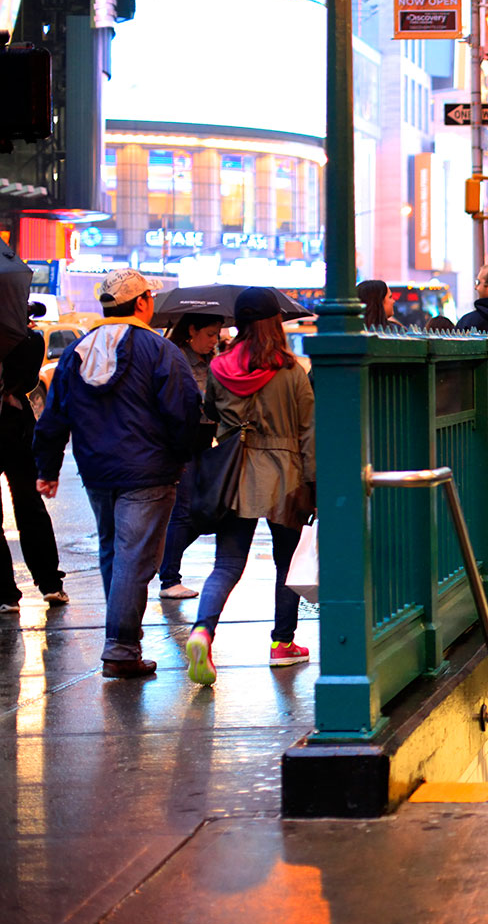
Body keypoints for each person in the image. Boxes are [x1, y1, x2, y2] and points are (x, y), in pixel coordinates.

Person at [33, 268, 202, 679]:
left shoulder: (78, 351)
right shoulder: (160, 351)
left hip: (97, 471)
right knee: (134, 559)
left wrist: (48, 467)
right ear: (142, 302)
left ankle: (122, 641)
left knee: (114, 553)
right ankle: (122, 647)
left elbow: (55, 414)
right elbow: (183, 413)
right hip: (148, 471)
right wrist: (184, 458)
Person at [185, 287, 316, 686]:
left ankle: (203, 631)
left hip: (234, 473)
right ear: (275, 323)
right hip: (285, 475)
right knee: (286, 564)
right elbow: (308, 432)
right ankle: (282, 644)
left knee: (226, 564)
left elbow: (208, 413)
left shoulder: (220, 366)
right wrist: (314, 483)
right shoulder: (293, 371)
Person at [0, 311, 67, 613]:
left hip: (16, 429)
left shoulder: (28, 339)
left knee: (30, 505)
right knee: (26, 508)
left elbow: (25, 380)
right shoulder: (26, 338)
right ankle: (5, 592)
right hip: (14, 424)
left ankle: (50, 583)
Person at [155, 313, 225, 600]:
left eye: (217, 335)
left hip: (204, 442)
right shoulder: (174, 358)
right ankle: (169, 579)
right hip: (181, 443)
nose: (214, 341)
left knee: (209, 512)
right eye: (209, 334)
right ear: (192, 330)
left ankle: (161, 558)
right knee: (183, 511)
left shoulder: (214, 362)